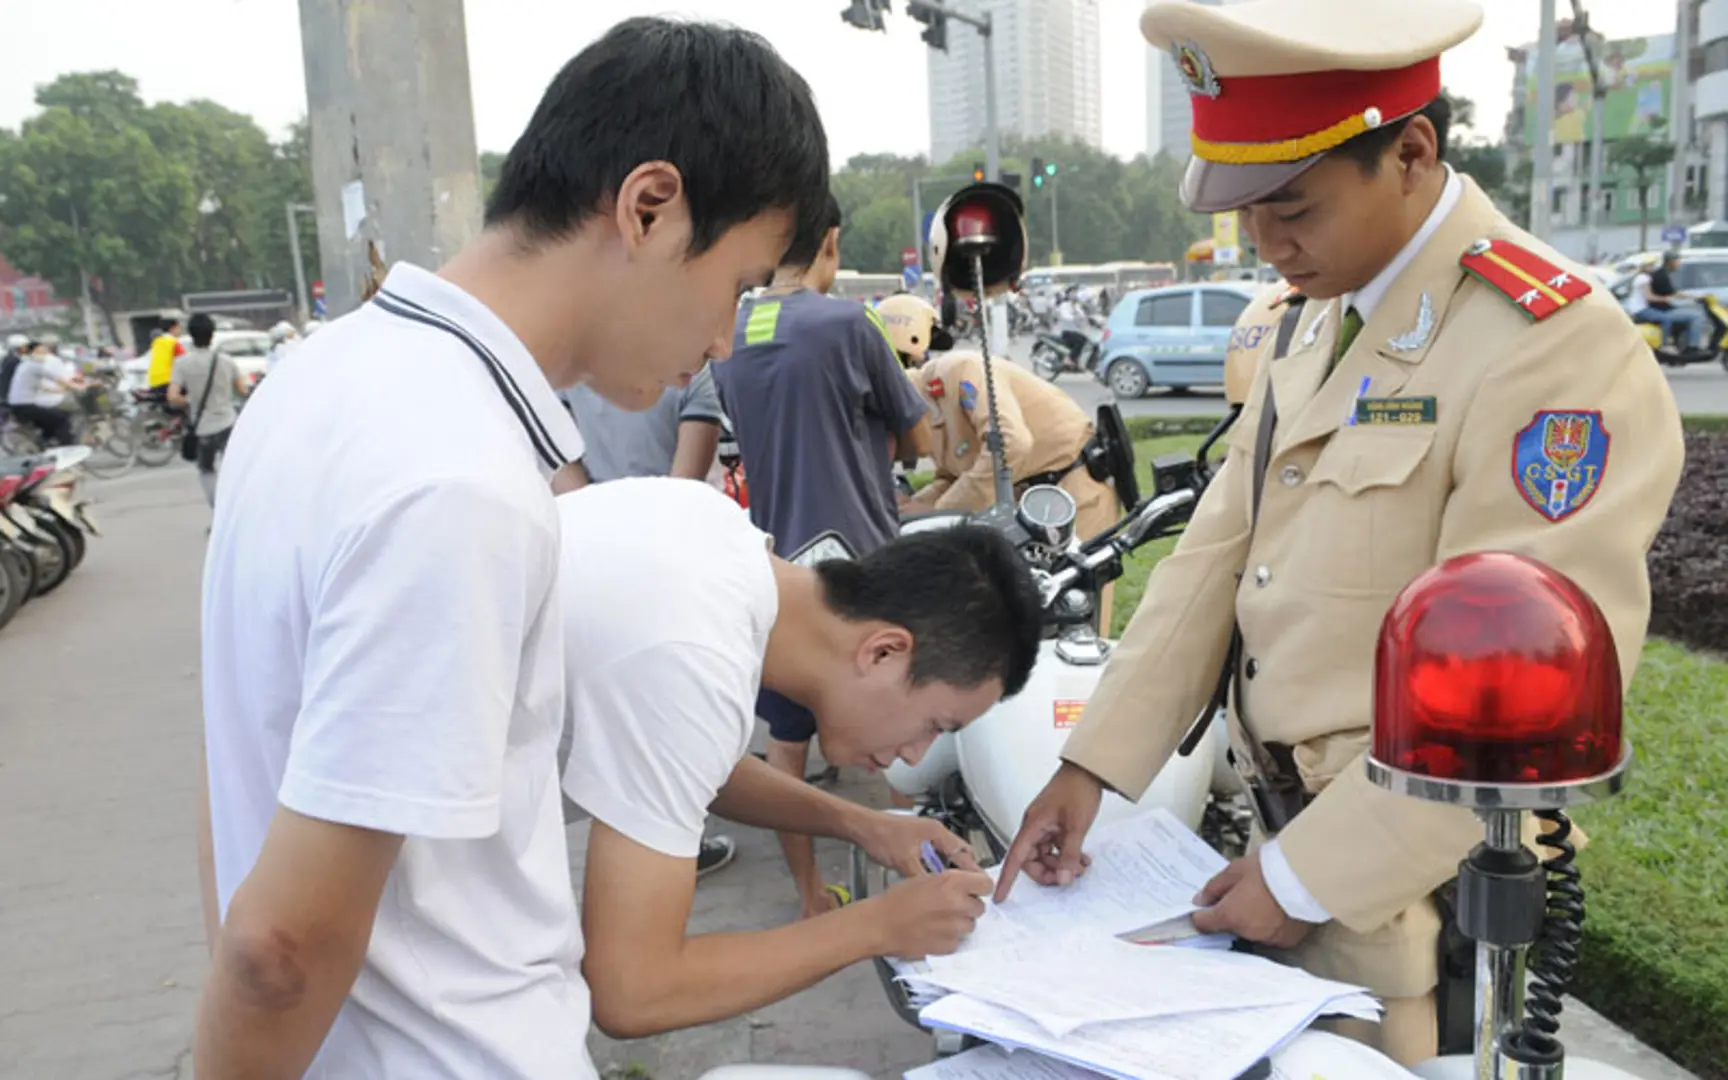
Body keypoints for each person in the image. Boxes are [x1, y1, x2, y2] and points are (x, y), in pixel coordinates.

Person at [995, 0, 1684, 1066]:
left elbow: (1511, 699)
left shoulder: (1550, 347)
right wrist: (1089, 766)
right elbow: (1218, 555)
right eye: (1248, 215)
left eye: (1293, 208)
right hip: (1280, 845)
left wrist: (1304, 879)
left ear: (1411, 153)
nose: (1269, 247)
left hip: (1401, 887)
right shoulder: (1319, 316)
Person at [192, 17, 830, 1080]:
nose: (724, 340)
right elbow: (278, 952)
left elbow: (231, 790)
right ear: (650, 206)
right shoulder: (459, 479)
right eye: (740, 283)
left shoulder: (318, 378)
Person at [557, 477, 1040, 1037]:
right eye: (935, 724)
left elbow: (687, 762)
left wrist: (864, 825)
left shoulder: (711, 531)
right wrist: (878, 925)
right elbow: (634, 991)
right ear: (884, 651)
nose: (915, 751)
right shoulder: (695, 658)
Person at [711, 191, 934, 920]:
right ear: (830, 241)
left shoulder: (732, 331)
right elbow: (919, 440)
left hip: (776, 568)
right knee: (908, 718)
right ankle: (921, 876)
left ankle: (811, 895)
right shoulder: (850, 321)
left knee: (786, 741)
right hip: (865, 561)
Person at [555, 368, 737, 876]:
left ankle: (625, 851)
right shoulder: (693, 374)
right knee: (672, 711)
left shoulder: (572, 375)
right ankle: (672, 850)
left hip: (596, 562)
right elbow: (686, 482)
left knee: (614, 715)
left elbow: (563, 476)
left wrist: (599, 534)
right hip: (670, 565)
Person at [882, 294, 1123, 630]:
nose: (911, 455)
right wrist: (915, 508)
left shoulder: (960, 373)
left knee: (1077, 616)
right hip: (1028, 509)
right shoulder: (929, 411)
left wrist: (941, 515)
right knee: (1030, 619)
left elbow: (1010, 444)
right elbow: (951, 476)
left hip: (1070, 495)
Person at [167, 313, 249, 507]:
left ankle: (217, 513)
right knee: (234, 469)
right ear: (212, 334)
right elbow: (243, 390)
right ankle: (237, 510)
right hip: (228, 424)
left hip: (202, 427)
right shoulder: (226, 361)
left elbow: (172, 397)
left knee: (207, 471)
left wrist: (188, 401)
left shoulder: (182, 364)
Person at [4, 340, 79, 447]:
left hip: (19, 406)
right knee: (62, 418)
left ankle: (44, 443)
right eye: (41, 352)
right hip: (26, 406)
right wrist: (79, 387)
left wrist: (58, 390)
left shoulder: (24, 365)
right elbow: (60, 380)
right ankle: (68, 448)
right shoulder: (35, 367)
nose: (45, 355)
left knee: (49, 420)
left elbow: (41, 387)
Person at [1634, 251, 1703, 349]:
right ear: (1671, 262)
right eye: (1678, 261)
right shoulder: (1654, 276)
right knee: (1696, 316)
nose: (1679, 263)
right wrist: (1694, 296)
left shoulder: (1657, 275)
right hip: (1653, 309)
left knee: (1689, 313)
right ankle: (1690, 347)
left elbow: (1669, 294)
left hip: (1659, 308)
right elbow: (1654, 296)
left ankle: (1680, 344)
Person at [145, 315, 185, 391]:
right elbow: (184, 361)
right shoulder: (173, 342)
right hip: (167, 381)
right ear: (173, 328)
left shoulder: (156, 342)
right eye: (179, 327)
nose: (180, 330)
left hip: (153, 382)